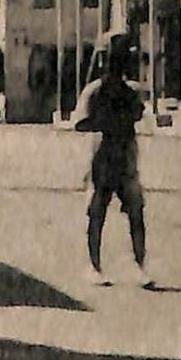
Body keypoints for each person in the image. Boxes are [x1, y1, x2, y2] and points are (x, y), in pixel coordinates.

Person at [73, 32, 150, 288]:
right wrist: (106, 120)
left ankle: (140, 266)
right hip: (103, 158)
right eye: (116, 59)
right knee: (97, 212)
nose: (120, 64)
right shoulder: (95, 91)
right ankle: (93, 265)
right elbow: (80, 123)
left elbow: (138, 113)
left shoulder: (129, 92)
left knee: (136, 211)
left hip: (126, 156)